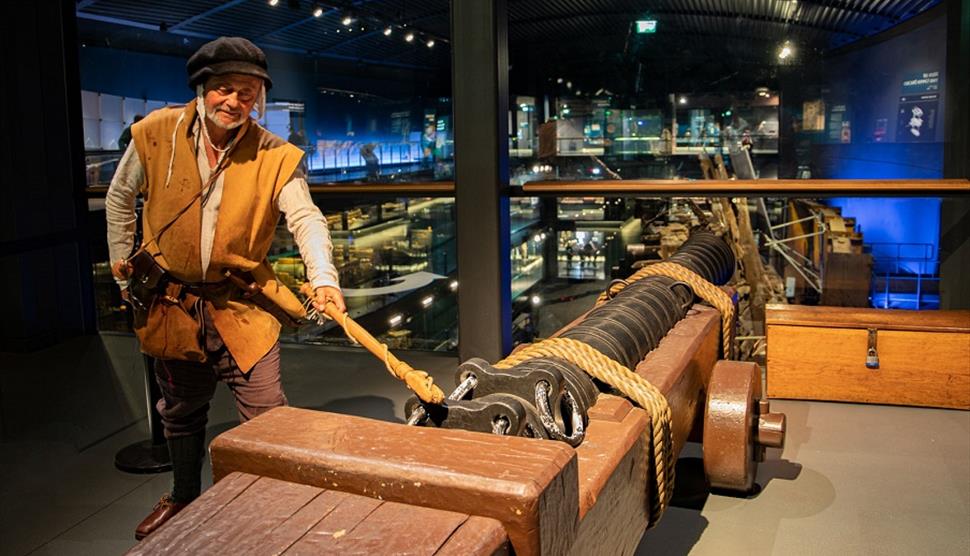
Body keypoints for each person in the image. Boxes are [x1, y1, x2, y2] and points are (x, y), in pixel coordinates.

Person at [105, 36, 346, 540]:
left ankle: (267, 510)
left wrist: (324, 279)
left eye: (247, 91)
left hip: (242, 303)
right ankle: (184, 497)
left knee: (266, 411)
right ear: (201, 88)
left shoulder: (276, 156)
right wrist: (120, 262)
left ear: (258, 96)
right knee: (181, 410)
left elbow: (307, 220)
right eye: (223, 89)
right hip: (172, 305)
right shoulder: (153, 134)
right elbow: (120, 196)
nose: (234, 101)